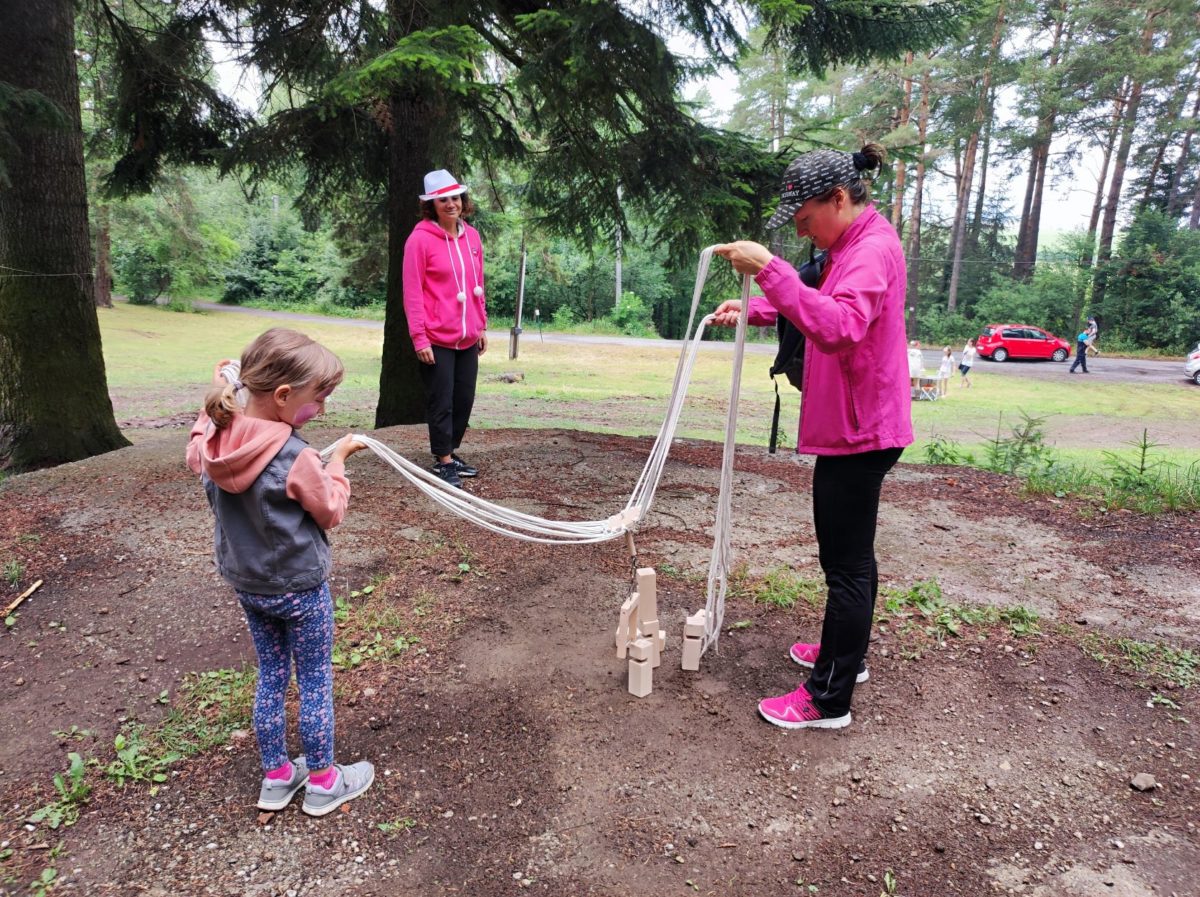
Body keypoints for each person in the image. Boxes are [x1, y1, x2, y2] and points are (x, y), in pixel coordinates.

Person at [711, 143, 912, 730]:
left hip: (860, 431)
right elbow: (822, 304)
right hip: (859, 423)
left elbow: (842, 325)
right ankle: (846, 658)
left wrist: (769, 270)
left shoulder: (871, 249)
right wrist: (758, 309)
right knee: (854, 561)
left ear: (840, 198)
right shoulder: (852, 244)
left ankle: (828, 698)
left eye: (806, 222)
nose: (805, 235)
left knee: (845, 564)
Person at [186, 328, 375, 817]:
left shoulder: (214, 438)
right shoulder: (296, 456)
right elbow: (330, 509)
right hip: (299, 589)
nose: (324, 411)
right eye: (321, 398)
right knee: (313, 680)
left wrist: (217, 400)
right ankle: (324, 781)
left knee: (271, 674)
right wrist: (337, 461)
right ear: (285, 396)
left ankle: (276, 776)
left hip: (248, 585)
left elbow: (196, 444)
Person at [403, 169, 488, 488]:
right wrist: (419, 337)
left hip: (468, 336)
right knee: (442, 400)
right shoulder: (419, 240)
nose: (450, 204)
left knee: (464, 398)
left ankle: (449, 451)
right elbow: (412, 292)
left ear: (462, 201)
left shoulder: (473, 237)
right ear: (432, 205)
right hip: (436, 338)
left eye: (455, 198)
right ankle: (443, 461)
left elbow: (478, 283)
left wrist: (481, 325)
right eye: (443, 200)